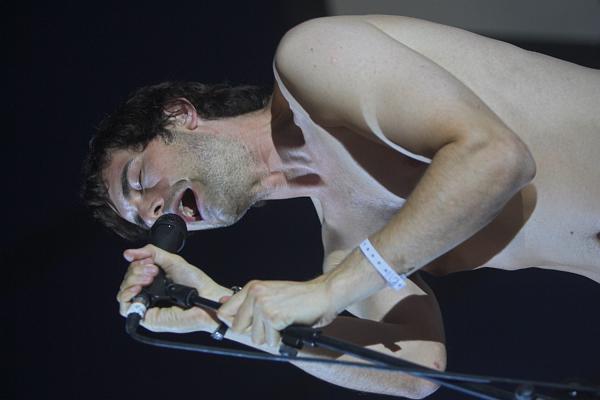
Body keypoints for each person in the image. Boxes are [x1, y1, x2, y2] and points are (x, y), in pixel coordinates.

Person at [82, 15, 600, 398]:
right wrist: (217, 308)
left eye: (140, 180)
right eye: (143, 218)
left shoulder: (312, 58)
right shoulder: (348, 241)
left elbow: (496, 159)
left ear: (179, 115)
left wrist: (332, 291)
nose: (154, 211)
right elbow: (418, 368)